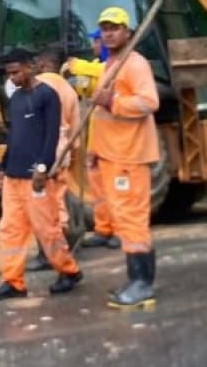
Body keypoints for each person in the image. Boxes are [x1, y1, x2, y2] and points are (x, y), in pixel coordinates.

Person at [0, 48, 84, 300]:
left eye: (16, 72)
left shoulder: (47, 95)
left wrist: (43, 167)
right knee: (10, 229)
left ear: (30, 67)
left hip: (36, 177)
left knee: (46, 228)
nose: (13, 78)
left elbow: (51, 136)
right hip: (13, 176)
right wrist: (3, 166)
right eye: (9, 74)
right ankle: (13, 282)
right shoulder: (17, 99)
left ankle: (69, 271)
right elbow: (15, 136)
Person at [90, 6, 160, 310]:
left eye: (115, 28)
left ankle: (143, 284)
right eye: (104, 28)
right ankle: (136, 280)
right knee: (123, 218)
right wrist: (95, 149)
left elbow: (149, 102)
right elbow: (100, 115)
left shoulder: (135, 64)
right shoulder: (112, 64)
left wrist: (114, 101)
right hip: (113, 154)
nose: (108, 33)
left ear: (127, 32)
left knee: (132, 219)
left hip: (130, 157)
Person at [63, 30, 121, 251]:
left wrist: (76, 65)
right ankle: (104, 228)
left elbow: (99, 73)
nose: (94, 44)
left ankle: (119, 230)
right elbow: (86, 86)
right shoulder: (98, 67)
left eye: (96, 41)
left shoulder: (116, 66)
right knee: (98, 189)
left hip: (114, 141)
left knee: (115, 188)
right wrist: (73, 79)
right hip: (96, 140)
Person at [26, 44, 81, 272]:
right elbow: (76, 129)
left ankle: (49, 254)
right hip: (63, 149)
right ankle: (64, 248)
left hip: (44, 152)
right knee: (58, 201)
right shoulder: (68, 89)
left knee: (43, 205)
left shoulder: (41, 87)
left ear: (42, 64)